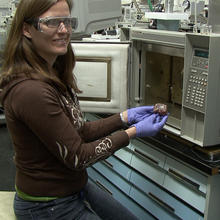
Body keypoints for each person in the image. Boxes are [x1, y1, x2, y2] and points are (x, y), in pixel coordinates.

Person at [0, 0, 168, 219]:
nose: (64, 30)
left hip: (74, 188)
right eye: (52, 23)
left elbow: (77, 133)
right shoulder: (31, 91)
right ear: (26, 29)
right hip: (46, 205)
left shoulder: (53, 73)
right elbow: (79, 156)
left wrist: (124, 117)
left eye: (68, 21)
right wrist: (133, 132)